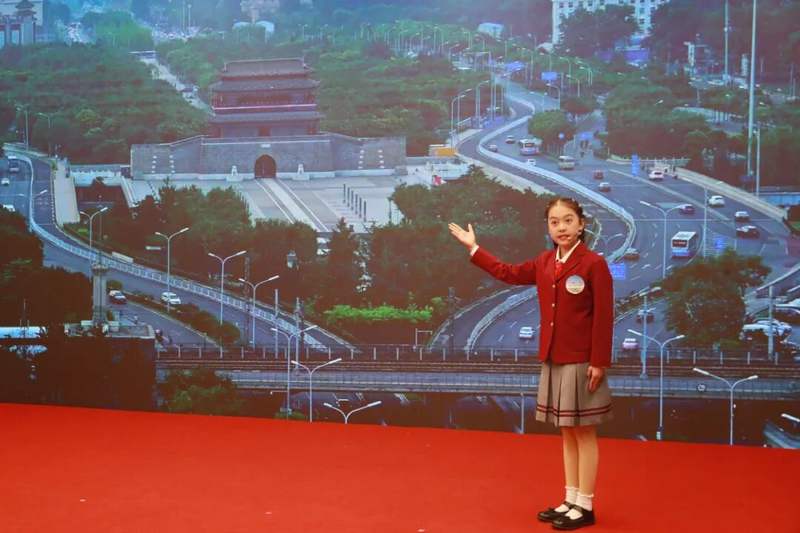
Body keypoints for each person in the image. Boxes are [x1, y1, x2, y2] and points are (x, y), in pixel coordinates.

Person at [448, 197, 613, 531]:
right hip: (553, 356)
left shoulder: (594, 264)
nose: (561, 227)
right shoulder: (545, 261)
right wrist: (474, 248)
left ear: (581, 224)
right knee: (567, 432)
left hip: (581, 360)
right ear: (548, 228)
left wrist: (598, 362)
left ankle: (585, 505)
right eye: (554, 222)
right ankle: (570, 499)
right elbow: (507, 273)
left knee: (584, 433)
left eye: (568, 220)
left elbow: (604, 317)